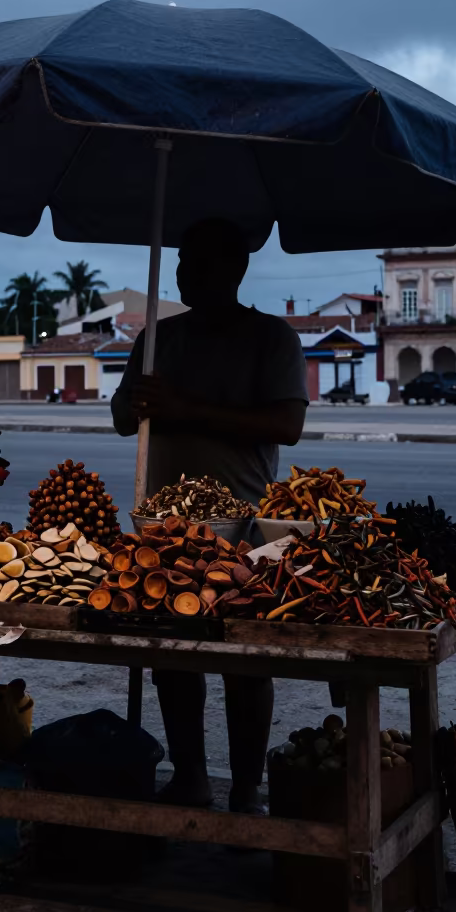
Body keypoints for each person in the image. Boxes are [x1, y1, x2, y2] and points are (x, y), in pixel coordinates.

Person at [111, 218, 309, 812]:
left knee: (245, 662)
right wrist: (141, 400)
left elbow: (286, 426)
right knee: (173, 657)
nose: (184, 274)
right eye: (180, 263)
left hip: (246, 527)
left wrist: (184, 407)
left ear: (236, 270)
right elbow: (124, 418)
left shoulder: (271, 339)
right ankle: (191, 777)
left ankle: (247, 787)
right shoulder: (156, 338)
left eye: (199, 264)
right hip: (164, 530)